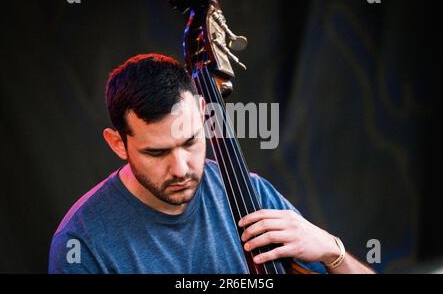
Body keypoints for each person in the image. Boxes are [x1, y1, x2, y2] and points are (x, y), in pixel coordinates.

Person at [48, 53, 374, 274]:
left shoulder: (251, 195)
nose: (181, 168)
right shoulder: (82, 243)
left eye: (191, 142)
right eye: (157, 152)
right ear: (118, 143)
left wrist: (334, 253)